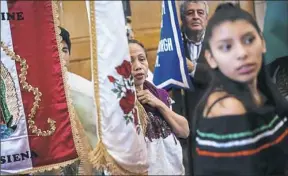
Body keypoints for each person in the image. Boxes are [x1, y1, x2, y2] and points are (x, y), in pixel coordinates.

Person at [190, 3, 288, 175]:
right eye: (226, 47)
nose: (242, 53)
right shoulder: (227, 107)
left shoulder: (261, 90)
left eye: (249, 40)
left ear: (263, 43)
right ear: (211, 58)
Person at [128, 39, 189, 175]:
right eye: (130, 61)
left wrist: (158, 104)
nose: (138, 66)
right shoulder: (120, 104)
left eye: (141, 59)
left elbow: (184, 131)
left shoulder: (159, 95)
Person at [172, 1, 211, 174]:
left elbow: (223, 75)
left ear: (206, 17)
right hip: (184, 119)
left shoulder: (218, 40)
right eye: (190, 13)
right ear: (182, 18)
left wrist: (193, 69)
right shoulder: (173, 42)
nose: (196, 16)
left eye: (200, 12)